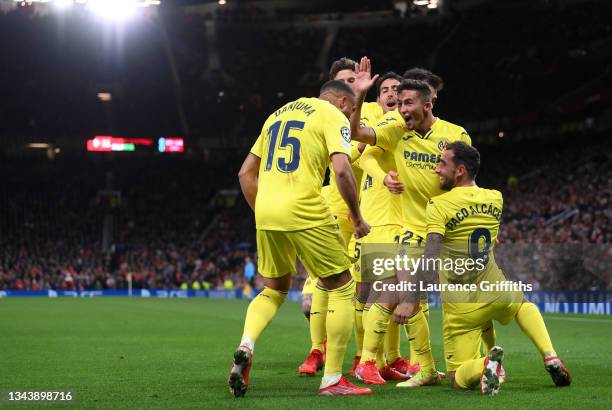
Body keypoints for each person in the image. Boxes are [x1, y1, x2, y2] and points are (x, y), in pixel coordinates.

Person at [229, 79, 372, 397]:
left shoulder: (277, 114)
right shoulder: (333, 115)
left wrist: (264, 210)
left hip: (266, 210)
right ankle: (333, 379)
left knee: (274, 290)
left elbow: (244, 173)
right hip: (305, 207)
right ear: (344, 103)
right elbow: (343, 171)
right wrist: (358, 216)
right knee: (342, 285)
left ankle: (246, 344)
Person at [408, 141, 571, 395]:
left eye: (442, 163)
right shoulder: (495, 198)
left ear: (460, 170)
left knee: (456, 378)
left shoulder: (438, 205)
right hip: (497, 292)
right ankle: (550, 355)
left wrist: (411, 298)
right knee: (522, 304)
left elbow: (431, 252)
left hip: (461, 307)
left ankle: (485, 364)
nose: (437, 169)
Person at [350, 62, 471, 387]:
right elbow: (359, 138)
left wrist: (476, 221)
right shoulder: (394, 127)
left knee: (462, 298)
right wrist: (360, 97)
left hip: (450, 226)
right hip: (413, 230)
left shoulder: (454, 134)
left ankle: (467, 363)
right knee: (399, 292)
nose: (401, 109)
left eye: (407, 103)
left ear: (428, 103)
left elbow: (467, 178)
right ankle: (377, 361)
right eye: (397, 102)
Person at [348, 71, 414, 381]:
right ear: (379, 99)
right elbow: (362, 158)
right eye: (384, 90)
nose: (390, 94)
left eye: (396, 90)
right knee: (377, 293)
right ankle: (366, 359)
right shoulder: (386, 126)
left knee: (401, 293)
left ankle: (391, 359)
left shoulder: (408, 128)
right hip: (379, 220)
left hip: (406, 221)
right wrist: (383, 176)